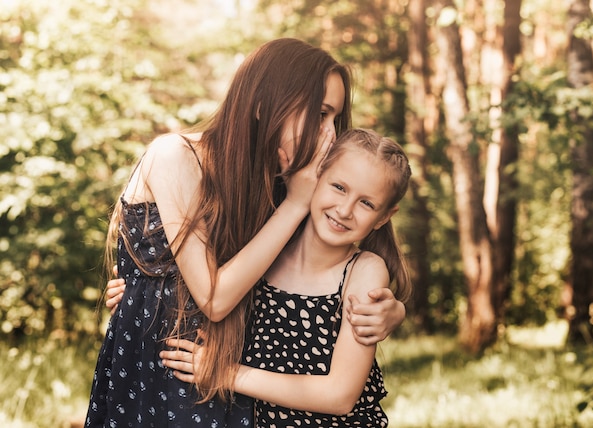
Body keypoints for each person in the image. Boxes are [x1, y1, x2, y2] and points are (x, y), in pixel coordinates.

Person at [87, 38, 406, 428]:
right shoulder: (176, 156)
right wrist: (139, 285)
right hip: (161, 375)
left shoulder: (282, 187)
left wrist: (393, 311)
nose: (330, 135)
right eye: (320, 114)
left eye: (334, 119)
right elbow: (214, 298)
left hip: (231, 390)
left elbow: (329, 272)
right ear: (262, 104)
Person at [159, 128, 412, 427]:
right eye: (339, 187)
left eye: (366, 203)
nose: (345, 210)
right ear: (316, 178)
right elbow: (196, 276)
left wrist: (225, 374)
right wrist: (130, 288)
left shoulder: (364, 270)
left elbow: (340, 395)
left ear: (384, 216)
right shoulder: (265, 250)